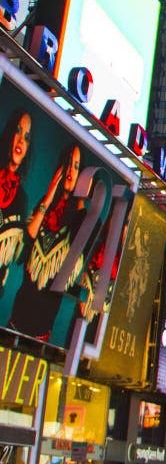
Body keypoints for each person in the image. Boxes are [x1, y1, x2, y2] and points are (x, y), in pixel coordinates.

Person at [8, 144, 86, 340]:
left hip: (42, 328)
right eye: (68, 163)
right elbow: (25, 246)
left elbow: (81, 242)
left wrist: (81, 197)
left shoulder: (80, 217)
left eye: (76, 167)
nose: (70, 171)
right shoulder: (44, 204)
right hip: (17, 317)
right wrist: (50, 195)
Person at [0, 109, 33, 260]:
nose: (21, 141)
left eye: (26, 137)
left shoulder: (21, 198)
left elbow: (18, 258)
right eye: (18, 131)